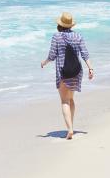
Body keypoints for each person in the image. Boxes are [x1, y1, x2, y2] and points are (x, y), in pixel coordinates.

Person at [40, 11, 94, 140]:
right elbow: (84, 53)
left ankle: (69, 129)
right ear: (71, 25)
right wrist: (90, 68)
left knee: (64, 101)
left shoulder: (56, 37)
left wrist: (44, 62)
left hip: (63, 72)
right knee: (70, 99)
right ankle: (71, 127)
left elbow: (52, 56)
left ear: (60, 24)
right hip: (76, 71)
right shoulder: (78, 36)